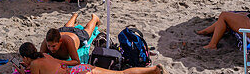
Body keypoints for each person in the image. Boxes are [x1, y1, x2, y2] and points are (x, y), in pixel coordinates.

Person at [18, 42, 163, 74]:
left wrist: (23, 70)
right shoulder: (43, 55)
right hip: (80, 69)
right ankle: (153, 69)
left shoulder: (35, 64)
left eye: (23, 59)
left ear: (25, 57)